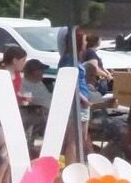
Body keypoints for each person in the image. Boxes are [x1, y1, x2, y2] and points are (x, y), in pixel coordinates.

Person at [0, 47, 29, 183]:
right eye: (23, 60)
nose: (24, 64)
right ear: (15, 60)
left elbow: (14, 93)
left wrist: (21, 97)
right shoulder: (2, 75)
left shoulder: (16, 75)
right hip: (1, 117)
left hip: (11, 114)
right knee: (6, 152)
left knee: (10, 149)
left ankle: (5, 181)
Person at [58, 28, 93, 163]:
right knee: (73, 139)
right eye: (84, 40)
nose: (86, 43)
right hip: (76, 104)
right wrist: (82, 97)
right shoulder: (69, 59)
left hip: (82, 103)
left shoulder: (74, 59)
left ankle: (78, 164)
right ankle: (71, 166)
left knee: (82, 138)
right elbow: (68, 82)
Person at [19, 58, 50, 146]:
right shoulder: (23, 84)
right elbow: (27, 101)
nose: (43, 72)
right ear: (33, 72)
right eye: (40, 70)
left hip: (48, 113)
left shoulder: (39, 83)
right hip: (36, 114)